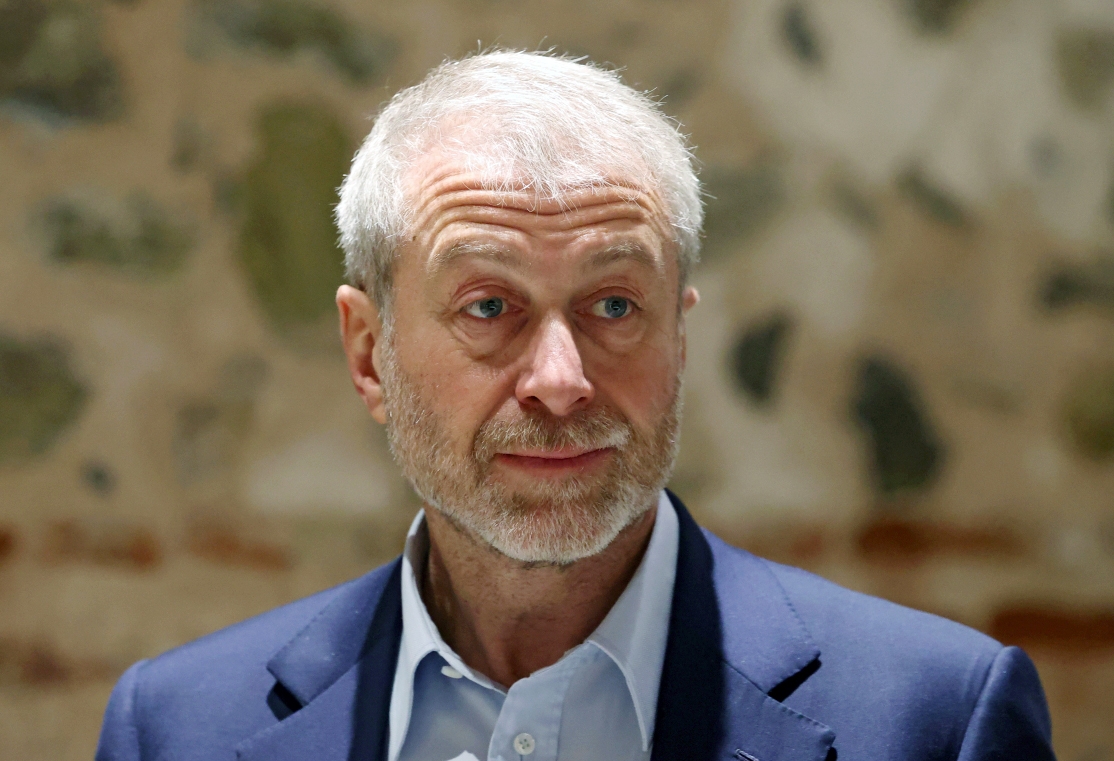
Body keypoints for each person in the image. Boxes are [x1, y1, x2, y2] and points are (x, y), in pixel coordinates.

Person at [95, 51, 1055, 761]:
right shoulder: (176, 730)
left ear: (679, 339)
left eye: (614, 306)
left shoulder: (937, 719)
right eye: (488, 307)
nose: (560, 378)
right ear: (368, 353)